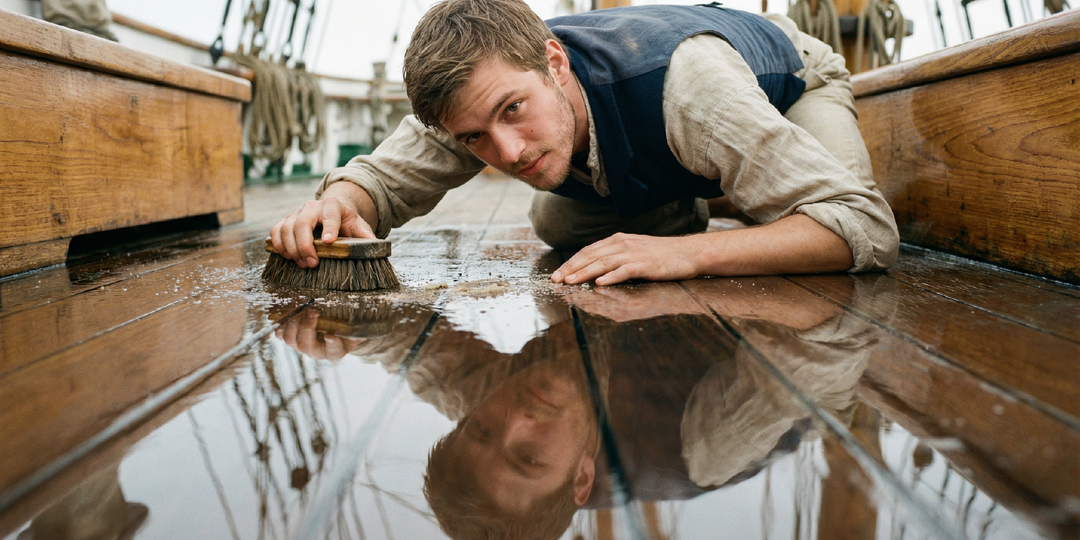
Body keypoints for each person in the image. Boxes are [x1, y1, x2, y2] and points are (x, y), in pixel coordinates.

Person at [270, 0, 899, 286]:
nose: (508, 153)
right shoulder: (476, 91)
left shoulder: (691, 91)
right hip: (684, 130)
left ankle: (738, 191)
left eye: (514, 111)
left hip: (793, 80)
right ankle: (721, 187)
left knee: (822, 223)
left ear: (554, 62)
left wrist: (686, 255)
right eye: (475, 138)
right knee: (557, 220)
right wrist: (337, 204)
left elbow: (863, 226)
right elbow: (379, 181)